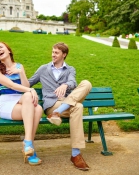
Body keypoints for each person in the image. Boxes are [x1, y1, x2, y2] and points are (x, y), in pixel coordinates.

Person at [28, 42, 92, 171]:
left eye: (56, 53)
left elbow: (73, 82)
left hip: (66, 102)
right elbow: (28, 83)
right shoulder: (43, 69)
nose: (53, 55)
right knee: (78, 106)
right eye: (52, 52)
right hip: (51, 104)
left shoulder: (70, 69)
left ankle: (75, 154)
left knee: (86, 84)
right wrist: (8, 85)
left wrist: (65, 85)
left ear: (64, 54)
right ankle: (76, 154)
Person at [0, 42, 43, 166]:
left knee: (38, 108)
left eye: (1, 47)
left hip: (21, 100)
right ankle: (29, 145)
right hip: (6, 104)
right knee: (32, 102)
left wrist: (20, 72)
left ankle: (28, 145)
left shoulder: (19, 66)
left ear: (9, 50)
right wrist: (30, 90)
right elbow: (11, 85)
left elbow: (25, 86)